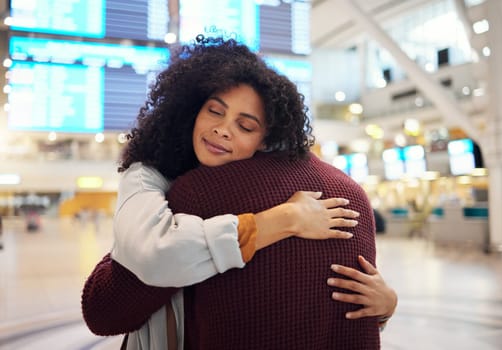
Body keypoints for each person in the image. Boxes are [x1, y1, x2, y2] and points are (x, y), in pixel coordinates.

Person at [82, 35, 396, 349]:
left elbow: (105, 309)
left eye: (245, 126)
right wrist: (281, 219)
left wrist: (386, 306)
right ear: (192, 110)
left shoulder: (197, 195)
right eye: (214, 111)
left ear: (265, 138)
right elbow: (152, 254)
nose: (223, 129)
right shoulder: (150, 178)